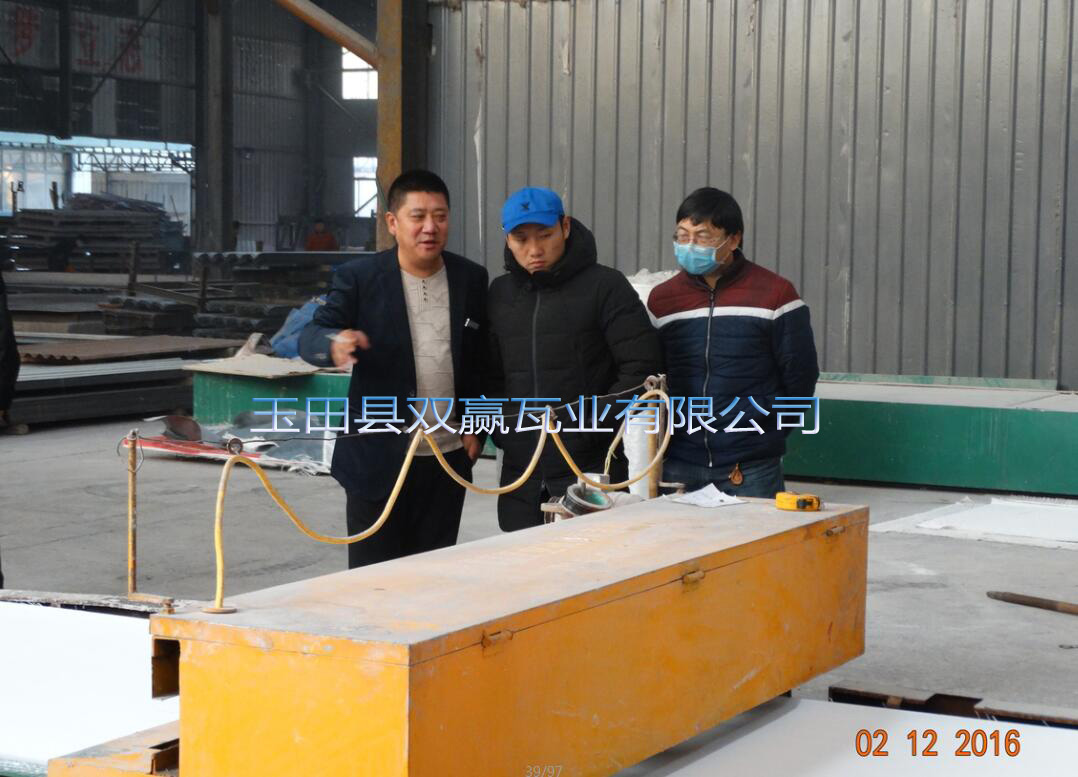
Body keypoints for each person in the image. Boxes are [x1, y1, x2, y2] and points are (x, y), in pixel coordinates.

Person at [298, 171, 488, 567]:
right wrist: (333, 343)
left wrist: (477, 425)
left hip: (446, 462)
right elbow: (312, 334)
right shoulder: (360, 279)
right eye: (418, 216)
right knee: (375, 582)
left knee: (433, 576)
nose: (430, 227)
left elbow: (482, 358)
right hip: (377, 460)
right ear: (392, 222)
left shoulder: (470, 278)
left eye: (440, 216)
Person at [486, 187, 663, 531]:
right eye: (521, 239)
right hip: (521, 473)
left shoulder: (605, 286)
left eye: (545, 235)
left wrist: (589, 426)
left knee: (594, 557)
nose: (534, 249)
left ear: (565, 227)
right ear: (507, 239)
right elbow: (488, 374)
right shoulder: (500, 294)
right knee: (520, 559)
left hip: (591, 465)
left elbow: (642, 368)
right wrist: (507, 431)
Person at [647, 187, 819, 498]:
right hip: (679, 463)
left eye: (703, 236)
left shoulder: (775, 294)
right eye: (682, 236)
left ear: (734, 239)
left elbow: (801, 375)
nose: (690, 245)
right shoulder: (663, 300)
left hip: (751, 467)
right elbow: (653, 374)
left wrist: (769, 434)